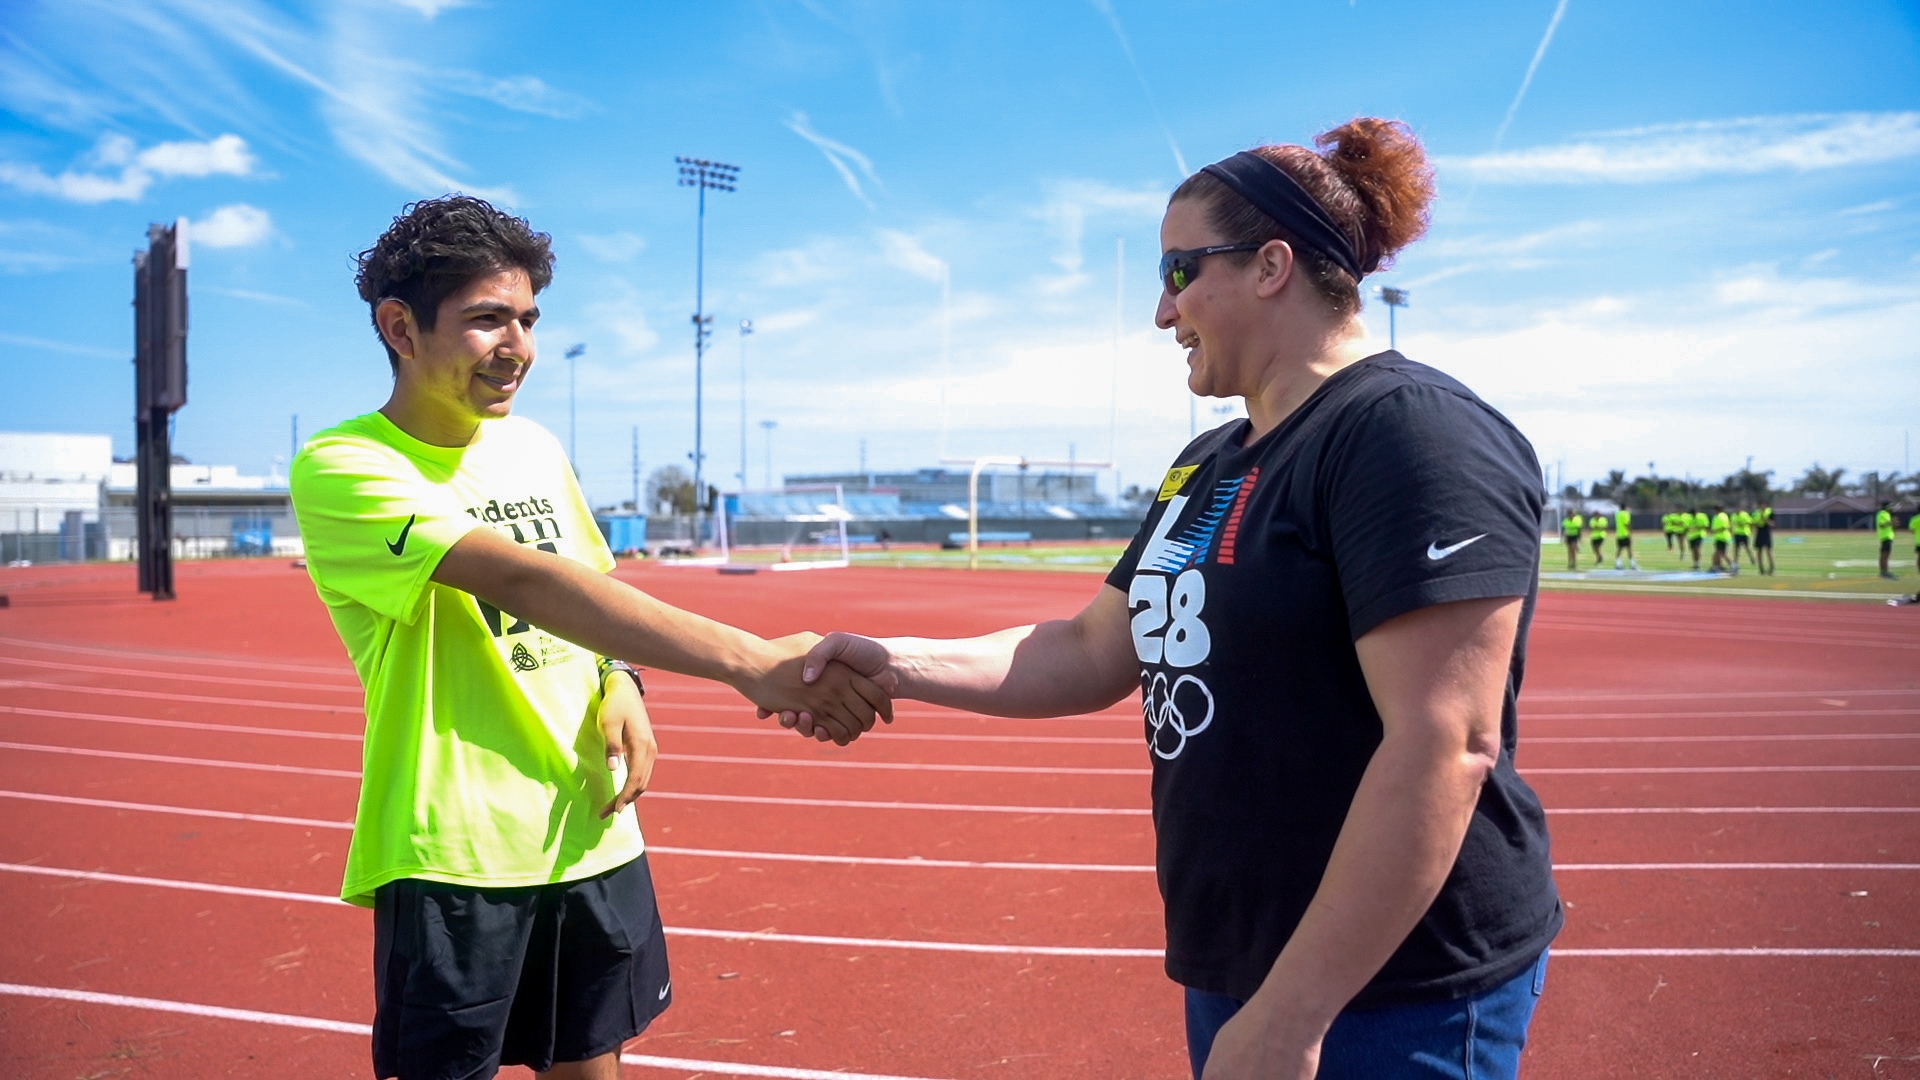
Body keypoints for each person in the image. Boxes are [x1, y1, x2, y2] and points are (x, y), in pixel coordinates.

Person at [785, 120, 1560, 1080]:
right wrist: (897, 660)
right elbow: (1092, 648)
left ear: (1272, 265)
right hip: (1244, 964)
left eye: (1181, 272)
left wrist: (1292, 1015)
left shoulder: (1407, 434)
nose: (1162, 312)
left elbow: (1445, 744)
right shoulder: (1207, 463)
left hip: (1393, 992)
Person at [290, 196, 889, 1080]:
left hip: (590, 828)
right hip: (458, 848)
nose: (519, 346)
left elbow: (589, 590)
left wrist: (623, 680)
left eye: (528, 319)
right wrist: (752, 663)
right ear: (399, 328)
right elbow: (524, 580)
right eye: (487, 319)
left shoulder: (532, 447)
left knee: (592, 1066)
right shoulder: (346, 464)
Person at [1710, 505, 1733, 573]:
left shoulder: (1722, 516)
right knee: (1718, 553)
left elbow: (1724, 527)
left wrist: (1715, 531)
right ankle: (1718, 566)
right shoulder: (1717, 517)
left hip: (1722, 537)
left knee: (1722, 553)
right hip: (1718, 537)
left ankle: (1732, 565)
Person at [1612, 504, 1637, 570]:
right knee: (1629, 549)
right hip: (1625, 534)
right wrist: (1630, 532)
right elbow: (1626, 523)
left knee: (1619, 549)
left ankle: (1618, 564)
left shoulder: (1617, 514)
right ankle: (1632, 564)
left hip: (1619, 534)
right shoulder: (1626, 514)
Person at [1754, 503, 1775, 575]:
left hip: (1766, 531)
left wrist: (1764, 518)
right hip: (1759, 532)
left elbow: (1772, 524)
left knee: (1768, 551)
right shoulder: (1756, 513)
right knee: (1759, 551)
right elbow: (1754, 523)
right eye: (1760, 505)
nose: (1761, 507)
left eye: (1762, 505)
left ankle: (1772, 568)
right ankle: (1761, 569)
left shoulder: (1770, 512)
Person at [1878, 500, 1897, 579]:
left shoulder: (1888, 515)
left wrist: (1894, 524)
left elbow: (1891, 527)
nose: (1891, 508)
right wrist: (1891, 523)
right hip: (1885, 537)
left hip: (1888, 537)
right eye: (1890, 506)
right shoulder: (1882, 514)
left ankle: (1884, 571)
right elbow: (1881, 525)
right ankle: (1884, 572)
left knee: (1885, 555)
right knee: (1884, 555)